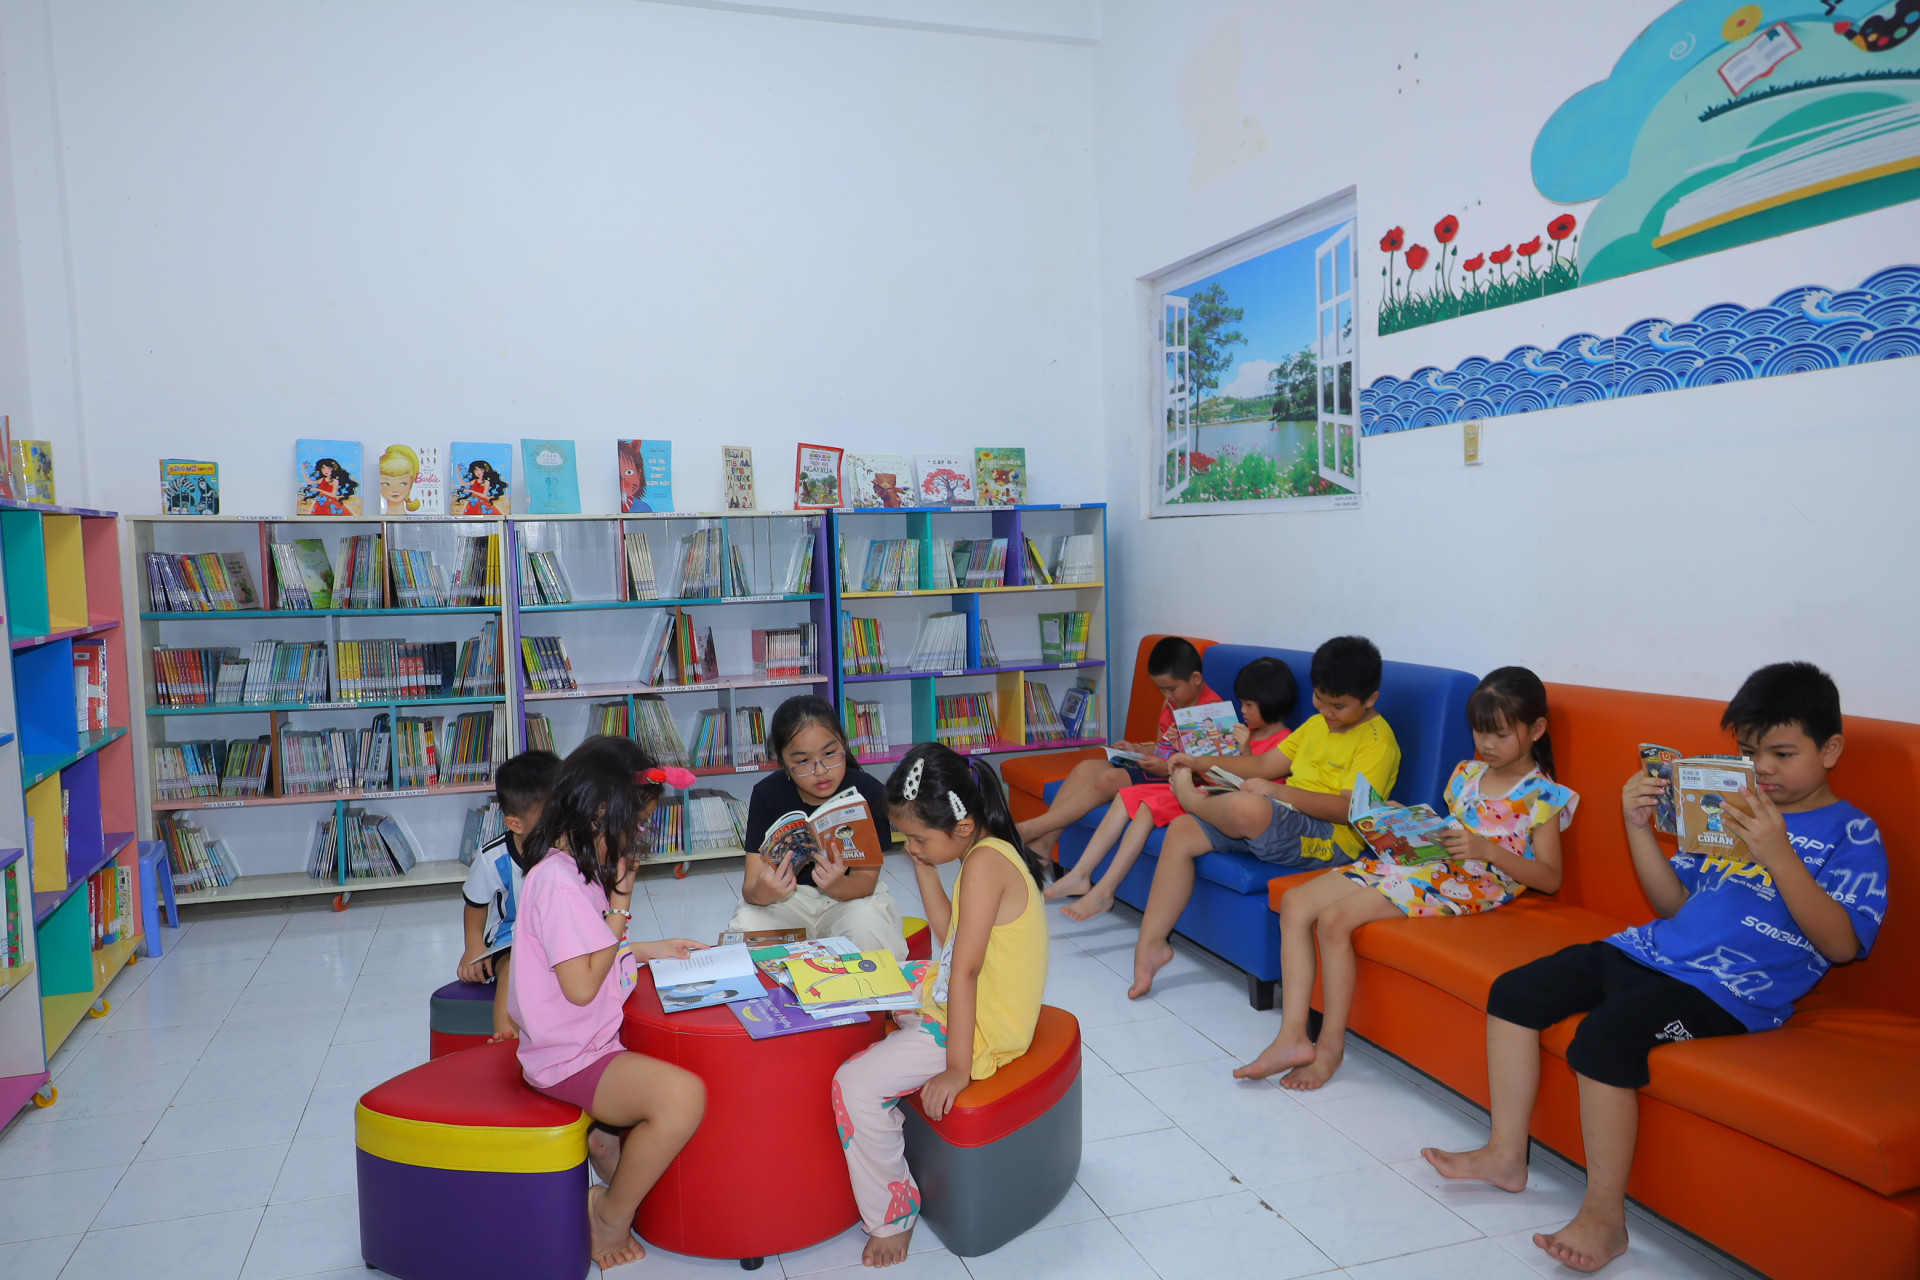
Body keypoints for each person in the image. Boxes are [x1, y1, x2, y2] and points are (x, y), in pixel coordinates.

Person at [1423, 661, 1888, 1274]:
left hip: (1731, 988)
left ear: (1830, 750)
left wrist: (1777, 852)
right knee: (1515, 991)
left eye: (1781, 753)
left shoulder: (1852, 833)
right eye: (1750, 753)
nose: (1764, 770)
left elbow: (1841, 947)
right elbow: (1673, 904)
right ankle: (1507, 1156)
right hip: (1655, 949)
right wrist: (1639, 828)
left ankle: (1604, 1219)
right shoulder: (1730, 809)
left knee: (1606, 1036)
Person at [1235, 667, 1576, 1089]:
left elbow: (1549, 878)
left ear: (1537, 728)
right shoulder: (1468, 774)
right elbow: (1448, 824)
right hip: (1430, 860)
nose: (1486, 744)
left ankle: (1329, 1049)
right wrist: (1398, 817)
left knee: (1335, 920)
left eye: (1501, 734)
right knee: (1295, 903)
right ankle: (1291, 1038)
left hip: (1473, 882)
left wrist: (1491, 851)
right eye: (1479, 732)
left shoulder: (1542, 795)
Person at [833, 744, 1048, 1267]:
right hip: (955, 993)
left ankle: (893, 1212)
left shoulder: (985, 865)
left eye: (921, 838)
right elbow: (951, 937)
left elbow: (968, 972)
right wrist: (926, 866)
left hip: (978, 1025)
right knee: (860, 982)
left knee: (853, 1086)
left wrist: (957, 1069)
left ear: (964, 825)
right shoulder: (984, 852)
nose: (915, 846)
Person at [508, 736, 710, 1270]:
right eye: (635, 824)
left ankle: (605, 1151)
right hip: (569, 1056)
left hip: (582, 1041)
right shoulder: (561, 884)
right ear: (600, 814)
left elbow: (581, 952)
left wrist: (646, 950)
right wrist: (622, 902)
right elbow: (579, 985)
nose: (638, 836)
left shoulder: (570, 869)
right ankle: (608, 1218)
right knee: (682, 1097)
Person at [1127, 636, 1400, 999]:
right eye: (1320, 699)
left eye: (1339, 706)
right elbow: (1262, 763)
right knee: (1182, 830)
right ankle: (1151, 946)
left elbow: (1348, 811)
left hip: (1330, 837)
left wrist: (1279, 792)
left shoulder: (1377, 742)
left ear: (1370, 700)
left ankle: (1190, 798)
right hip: (1282, 818)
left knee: (1248, 805)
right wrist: (1199, 762)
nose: (1327, 712)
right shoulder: (1317, 724)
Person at [1046, 655, 1297, 922]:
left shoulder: (1285, 743)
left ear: (1272, 702)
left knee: (1145, 807)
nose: (1243, 710)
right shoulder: (1240, 729)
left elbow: (1252, 787)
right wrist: (1183, 750)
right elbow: (1210, 767)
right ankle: (1081, 874)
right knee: (1125, 797)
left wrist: (1242, 752)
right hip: (1203, 790)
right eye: (1242, 703)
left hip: (1223, 804)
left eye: (1249, 704)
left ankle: (1104, 891)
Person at [726, 695, 907, 958]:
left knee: (866, 924)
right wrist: (765, 892)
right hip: (789, 901)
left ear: (843, 746)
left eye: (830, 754)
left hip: (850, 898)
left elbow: (865, 883)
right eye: (802, 761)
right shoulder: (767, 793)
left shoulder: (868, 792)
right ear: (783, 762)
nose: (820, 770)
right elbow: (751, 887)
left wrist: (836, 885)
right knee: (749, 925)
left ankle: (865, 992)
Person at [1016, 636, 1225, 859]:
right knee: (1086, 767)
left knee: (1107, 780)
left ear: (1195, 678)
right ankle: (1044, 847)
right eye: (1162, 690)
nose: (1167, 696)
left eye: (1171, 689)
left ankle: (1031, 829)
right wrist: (1136, 749)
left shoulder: (1210, 713)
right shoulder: (1173, 702)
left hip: (1182, 778)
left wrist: (1163, 766)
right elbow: (1160, 746)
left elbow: (1208, 771)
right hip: (1160, 767)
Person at [456, 749, 561, 1040]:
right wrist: (474, 947)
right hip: (513, 937)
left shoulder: (572, 846)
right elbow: (475, 905)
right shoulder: (493, 858)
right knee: (512, 969)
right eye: (551, 818)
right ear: (515, 823)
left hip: (562, 932)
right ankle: (505, 1039)